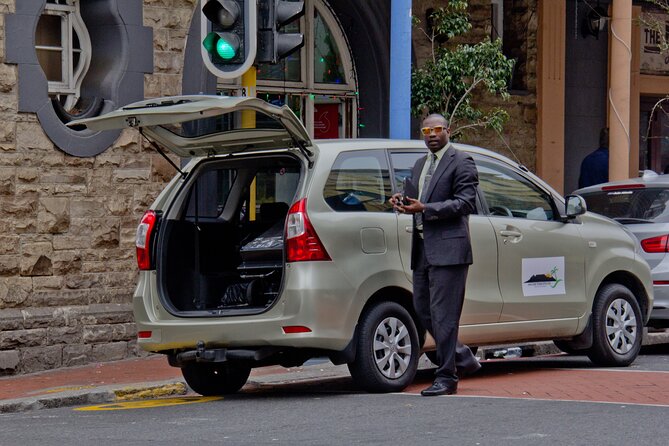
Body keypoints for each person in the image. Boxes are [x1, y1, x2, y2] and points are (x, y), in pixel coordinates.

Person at [390, 114, 481, 396]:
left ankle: (447, 376)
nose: (431, 134)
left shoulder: (461, 161)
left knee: (445, 315)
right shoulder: (419, 165)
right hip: (422, 249)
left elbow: (465, 203)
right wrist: (400, 201)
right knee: (422, 308)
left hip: (450, 250)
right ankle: (463, 358)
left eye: (437, 129)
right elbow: (415, 199)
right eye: (426, 130)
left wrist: (426, 209)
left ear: (448, 131)